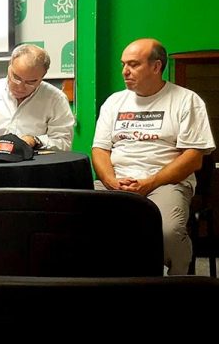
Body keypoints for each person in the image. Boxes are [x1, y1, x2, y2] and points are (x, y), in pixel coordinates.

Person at [92, 38, 216, 275]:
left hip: (166, 183)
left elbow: (193, 158)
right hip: (116, 182)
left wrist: (150, 182)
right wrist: (110, 181)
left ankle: (176, 279)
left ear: (156, 66)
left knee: (167, 233)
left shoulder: (186, 100)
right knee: (75, 220)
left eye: (133, 64)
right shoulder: (114, 102)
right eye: (123, 64)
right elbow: (100, 149)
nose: (125, 71)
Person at [0, 44, 74, 151]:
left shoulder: (55, 99)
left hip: (34, 163)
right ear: (9, 66)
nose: (20, 87)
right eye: (16, 78)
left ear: (42, 77)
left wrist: (36, 141)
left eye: (31, 82)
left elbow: (63, 142)